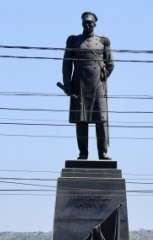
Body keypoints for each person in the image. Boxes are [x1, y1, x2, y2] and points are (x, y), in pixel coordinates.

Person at [61, 11, 114, 160]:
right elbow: (67, 64)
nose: (88, 25)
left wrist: (104, 75)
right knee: (81, 120)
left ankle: (102, 153)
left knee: (101, 120)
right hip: (79, 84)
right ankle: (83, 153)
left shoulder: (103, 42)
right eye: (85, 22)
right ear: (82, 24)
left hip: (97, 85)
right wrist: (67, 84)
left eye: (90, 22)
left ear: (95, 24)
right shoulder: (74, 41)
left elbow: (110, 64)